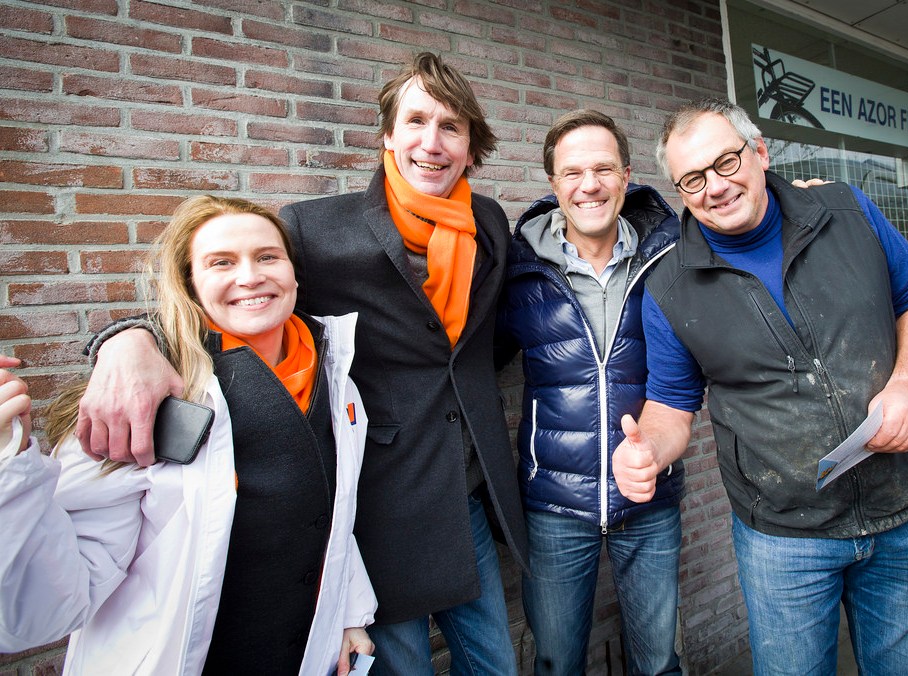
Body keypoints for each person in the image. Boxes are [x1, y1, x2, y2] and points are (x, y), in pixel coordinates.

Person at [73, 53, 528, 674]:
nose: (432, 142)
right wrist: (127, 340)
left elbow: (488, 337)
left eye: (451, 126)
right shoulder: (316, 229)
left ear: (472, 146)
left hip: (468, 486)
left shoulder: (489, 223)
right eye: (416, 121)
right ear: (387, 135)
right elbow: (236, 300)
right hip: (378, 502)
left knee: (497, 663)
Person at [613, 97, 908, 675]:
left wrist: (907, 384)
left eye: (725, 162)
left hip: (903, 514)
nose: (715, 187)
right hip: (784, 541)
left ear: (760, 152)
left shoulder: (848, 211)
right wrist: (648, 452)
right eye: (693, 179)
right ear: (680, 191)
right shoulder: (669, 287)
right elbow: (670, 406)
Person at [0, 196, 376, 674]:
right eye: (221, 262)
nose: (250, 277)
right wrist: (8, 462)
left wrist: (348, 613)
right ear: (190, 284)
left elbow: (332, 514)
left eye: (267, 256)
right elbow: (40, 614)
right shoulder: (141, 399)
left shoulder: (336, 376)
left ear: (293, 273)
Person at [495, 110, 684, 675]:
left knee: (659, 664)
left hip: (650, 494)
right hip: (553, 504)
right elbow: (475, 359)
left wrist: (794, 200)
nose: (589, 185)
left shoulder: (672, 257)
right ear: (554, 185)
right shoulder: (519, 269)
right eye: (572, 172)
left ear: (626, 176)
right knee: (556, 664)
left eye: (603, 169)